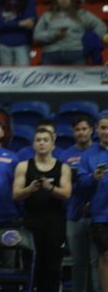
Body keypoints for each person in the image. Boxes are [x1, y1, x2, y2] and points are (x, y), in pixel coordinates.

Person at [12, 126, 72, 292]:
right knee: (32, 269)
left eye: (45, 140)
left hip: (54, 225)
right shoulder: (23, 166)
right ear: (33, 144)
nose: (42, 143)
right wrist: (30, 189)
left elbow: (67, 194)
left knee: (52, 270)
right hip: (32, 224)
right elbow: (16, 194)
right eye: (38, 140)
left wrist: (49, 187)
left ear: (53, 144)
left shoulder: (63, 168)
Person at [61, 116, 100, 292]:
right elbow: (64, 186)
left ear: (92, 130)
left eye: (84, 129)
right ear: (73, 132)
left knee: (97, 262)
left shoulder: (100, 152)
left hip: (97, 215)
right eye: (77, 129)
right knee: (78, 263)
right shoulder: (66, 156)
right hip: (74, 215)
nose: (81, 132)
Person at [33, 0, 107, 65]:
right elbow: (36, 35)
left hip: (76, 53)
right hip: (51, 54)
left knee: (80, 78)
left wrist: (92, 38)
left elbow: (101, 26)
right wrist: (54, 34)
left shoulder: (81, 14)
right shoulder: (47, 15)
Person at [75, 115, 108, 291]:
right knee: (105, 257)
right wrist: (92, 178)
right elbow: (80, 184)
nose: (106, 131)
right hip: (101, 215)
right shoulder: (89, 155)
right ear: (97, 130)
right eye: (103, 128)